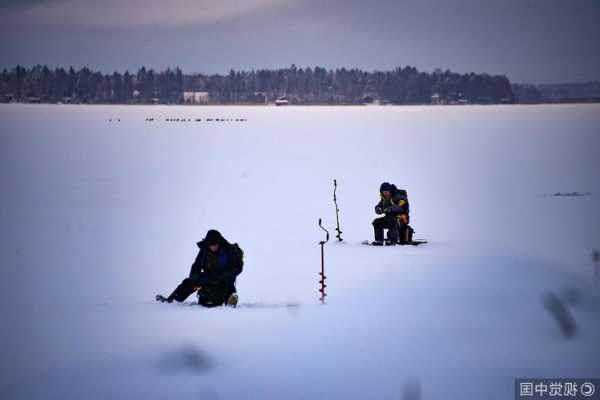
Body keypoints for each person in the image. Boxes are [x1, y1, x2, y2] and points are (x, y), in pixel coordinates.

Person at [156, 230, 244, 307]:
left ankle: (230, 301)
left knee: (227, 285)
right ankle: (171, 301)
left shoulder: (229, 251)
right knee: (189, 282)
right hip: (208, 278)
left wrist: (220, 275)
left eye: (215, 244)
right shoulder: (204, 250)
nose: (213, 246)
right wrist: (195, 277)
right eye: (210, 244)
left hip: (223, 279)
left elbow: (237, 268)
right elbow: (196, 266)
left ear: (219, 242)